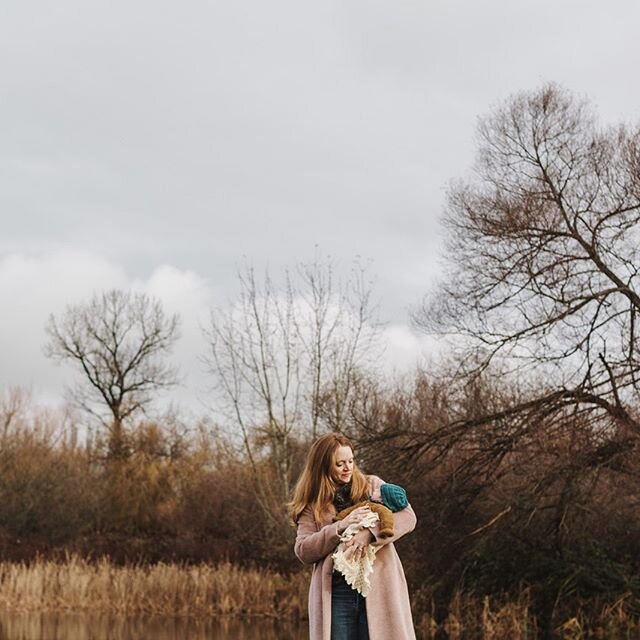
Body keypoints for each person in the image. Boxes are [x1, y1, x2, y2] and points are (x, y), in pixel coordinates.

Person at [289, 432, 417, 640]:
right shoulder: (312, 505)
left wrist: (370, 534)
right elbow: (303, 550)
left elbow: (408, 517)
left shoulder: (372, 485)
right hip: (336, 592)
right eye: (340, 464)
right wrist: (339, 527)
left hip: (378, 586)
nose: (348, 468)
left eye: (350, 461)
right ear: (323, 466)